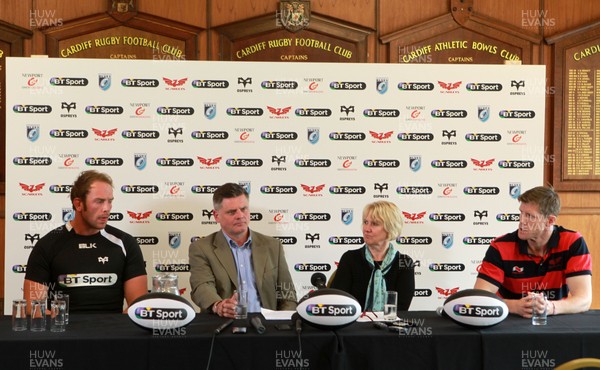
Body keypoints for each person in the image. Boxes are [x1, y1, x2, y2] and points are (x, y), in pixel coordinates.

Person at [23, 170, 148, 313]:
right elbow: (32, 306)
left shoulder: (125, 243)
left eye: (110, 201)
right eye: (99, 201)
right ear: (78, 204)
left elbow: (138, 306)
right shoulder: (48, 244)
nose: (107, 208)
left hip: (112, 332)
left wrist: (116, 329)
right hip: (64, 332)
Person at [475, 186, 592, 317]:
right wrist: (515, 306)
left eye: (530, 216)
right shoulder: (500, 246)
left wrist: (550, 307)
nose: (521, 221)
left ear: (550, 221)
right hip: (509, 320)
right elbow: (480, 297)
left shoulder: (572, 243)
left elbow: (584, 300)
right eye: (521, 213)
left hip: (554, 320)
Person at [188, 182, 297, 317]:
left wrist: (282, 324)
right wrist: (218, 305)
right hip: (224, 326)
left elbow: (288, 295)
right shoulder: (201, 248)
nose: (240, 215)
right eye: (232, 212)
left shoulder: (273, 246)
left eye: (244, 209)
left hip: (268, 328)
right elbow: (202, 286)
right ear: (216, 216)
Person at [330, 201, 415, 312]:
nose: (366, 229)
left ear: (390, 228)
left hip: (389, 325)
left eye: (374, 224)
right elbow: (339, 303)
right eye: (365, 222)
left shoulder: (404, 262)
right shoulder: (350, 258)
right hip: (354, 326)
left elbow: (402, 308)